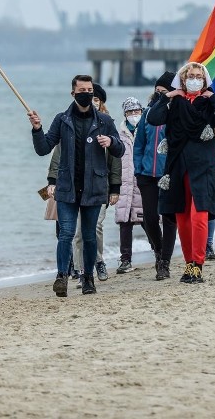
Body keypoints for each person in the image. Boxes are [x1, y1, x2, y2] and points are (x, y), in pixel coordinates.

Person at [28, 75, 124, 297]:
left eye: (90, 90)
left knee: (89, 236)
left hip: (94, 187)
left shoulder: (104, 121)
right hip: (67, 188)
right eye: (82, 90)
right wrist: (37, 129)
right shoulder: (62, 120)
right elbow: (43, 148)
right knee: (66, 234)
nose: (87, 93)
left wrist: (111, 142)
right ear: (73, 93)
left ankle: (88, 277)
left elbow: (120, 151)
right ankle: (61, 276)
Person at [147, 62, 215, 283]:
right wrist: (168, 96)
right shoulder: (174, 102)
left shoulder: (208, 103)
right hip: (177, 165)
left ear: (205, 80)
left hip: (204, 165)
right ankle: (188, 264)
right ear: (183, 80)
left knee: (199, 215)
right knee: (182, 218)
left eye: (199, 76)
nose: (194, 79)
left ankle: (198, 264)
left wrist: (213, 97)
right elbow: (152, 118)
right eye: (190, 76)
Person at [69, 84, 117, 283]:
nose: (92, 101)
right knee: (78, 233)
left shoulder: (107, 124)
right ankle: (82, 271)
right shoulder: (70, 122)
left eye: (96, 98)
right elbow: (59, 155)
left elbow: (116, 158)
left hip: (100, 187)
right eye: (89, 97)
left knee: (95, 227)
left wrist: (115, 187)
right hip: (76, 187)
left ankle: (98, 261)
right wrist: (51, 182)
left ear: (101, 102)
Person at [134, 72, 177, 280]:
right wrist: (137, 168)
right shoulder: (147, 113)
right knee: (150, 218)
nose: (160, 95)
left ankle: (165, 263)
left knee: (169, 218)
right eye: (157, 91)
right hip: (146, 175)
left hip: (168, 174)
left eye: (164, 91)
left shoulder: (176, 113)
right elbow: (139, 143)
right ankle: (158, 251)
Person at [115, 97, 146, 273]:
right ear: (125, 114)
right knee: (124, 222)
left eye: (136, 111)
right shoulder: (118, 134)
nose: (134, 115)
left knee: (148, 220)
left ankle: (159, 252)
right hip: (124, 184)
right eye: (130, 112)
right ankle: (125, 259)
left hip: (142, 183)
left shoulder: (147, 130)